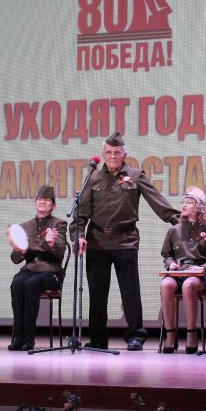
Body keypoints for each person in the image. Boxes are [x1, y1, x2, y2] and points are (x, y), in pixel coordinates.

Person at [70, 131, 179, 351]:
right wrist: (78, 236)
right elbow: (80, 214)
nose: (112, 156)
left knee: (130, 292)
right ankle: (98, 338)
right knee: (97, 294)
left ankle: (135, 336)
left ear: (124, 155)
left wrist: (179, 223)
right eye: (109, 152)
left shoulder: (136, 176)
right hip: (97, 241)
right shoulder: (93, 178)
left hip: (126, 241)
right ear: (103, 154)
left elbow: (158, 202)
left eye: (117, 152)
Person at [159, 187, 206, 354]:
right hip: (179, 271)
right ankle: (170, 334)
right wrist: (170, 264)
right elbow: (166, 254)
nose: (183, 205)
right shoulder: (174, 230)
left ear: (199, 207)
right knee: (166, 284)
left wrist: (202, 268)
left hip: (200, 275)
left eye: (189, 202)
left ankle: (191, 333)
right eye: (183, 202)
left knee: (189, 284)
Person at [8, 185, 67, 351]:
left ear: (53, 205)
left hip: (51, 270)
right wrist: (20, 250)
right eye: (39, 199)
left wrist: (50, 242)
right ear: (35, 203)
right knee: (17, 283)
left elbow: (61, 248)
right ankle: (18, 336)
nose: (42, 202)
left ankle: (28, 338)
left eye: (47, 200)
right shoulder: (25, 226)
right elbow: (14, 259)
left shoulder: (59, 224)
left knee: (31, 284)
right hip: (30, 268)